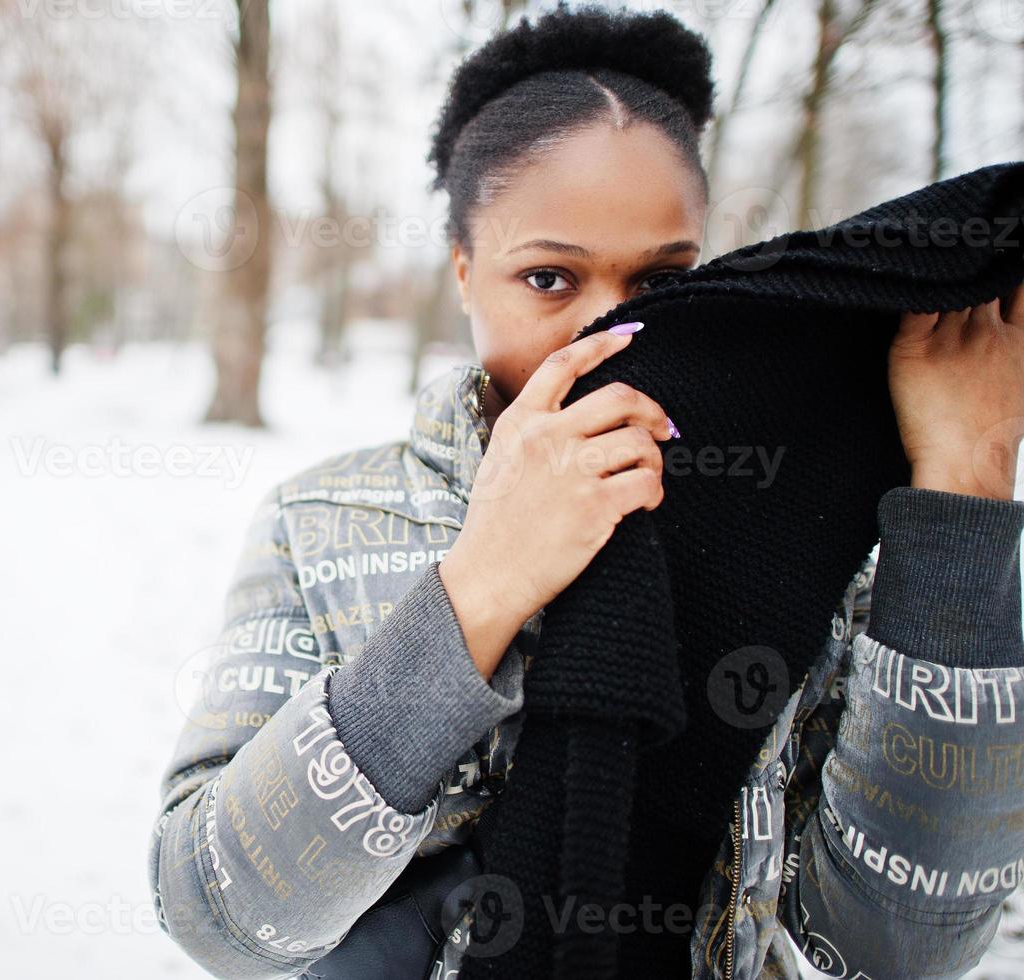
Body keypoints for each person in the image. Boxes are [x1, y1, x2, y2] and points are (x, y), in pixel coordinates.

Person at [148, 6, 1024, 978]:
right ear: (465, 273)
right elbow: (216, 911)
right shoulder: (325, 522)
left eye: (663, 278)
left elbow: (899, 946)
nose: (612, 332)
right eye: (550, 277)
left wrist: (966, 479)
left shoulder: (810, 534)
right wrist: (480, 587)